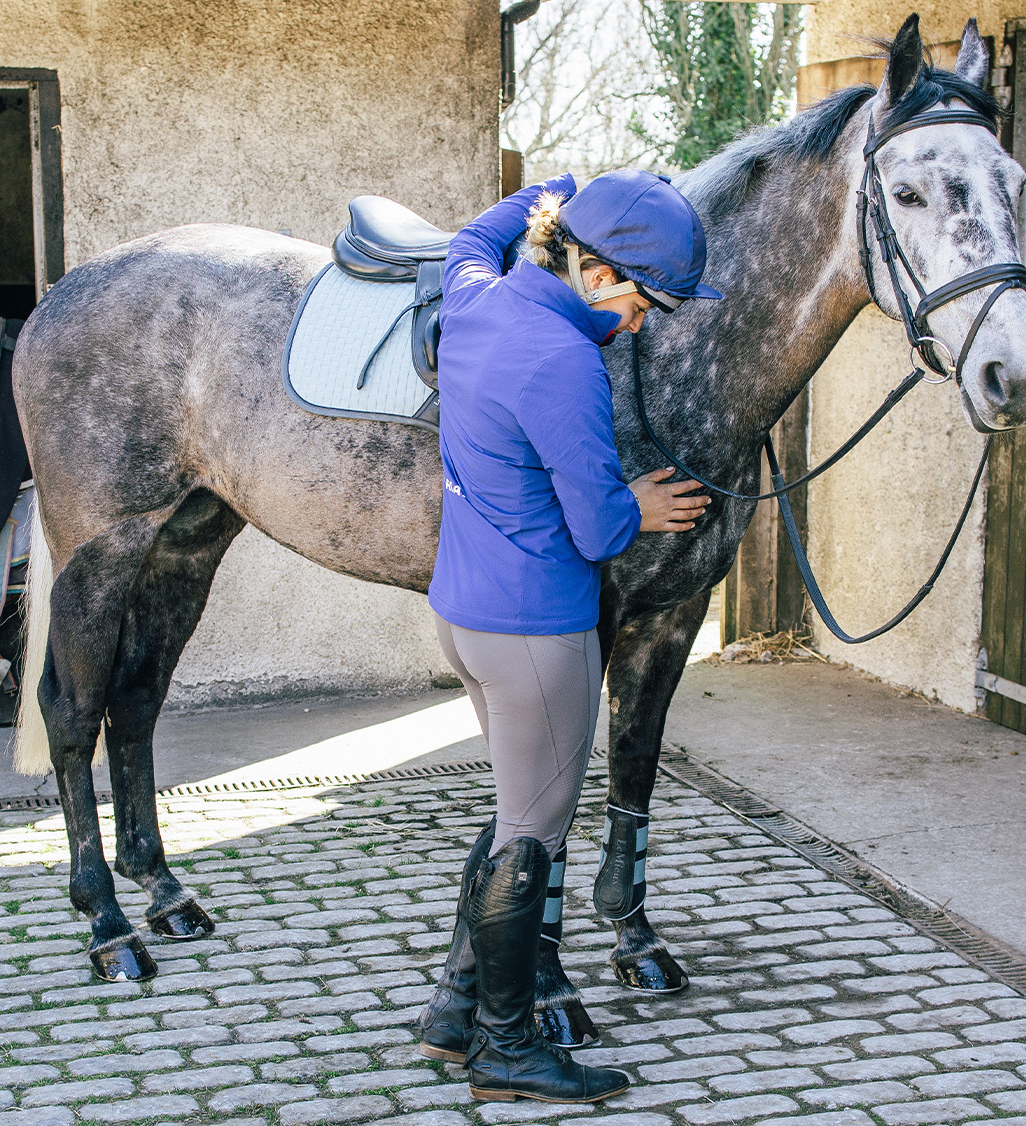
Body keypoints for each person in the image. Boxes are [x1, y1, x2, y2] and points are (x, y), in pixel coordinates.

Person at [413, 169, 720, 1105]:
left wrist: (551, 189)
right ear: (592, 271)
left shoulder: (471, 297)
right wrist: (638, 503)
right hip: (537, 629)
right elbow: (596, 532)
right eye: (642, 299)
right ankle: (506, 1050)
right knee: (535, 830)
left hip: (463, 613)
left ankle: (457, 1013)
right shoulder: (563, 362)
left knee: (511, 811)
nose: (643, 323)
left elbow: (470, 236)